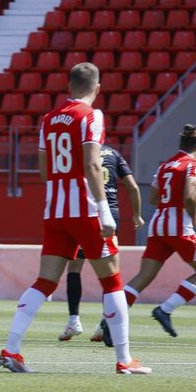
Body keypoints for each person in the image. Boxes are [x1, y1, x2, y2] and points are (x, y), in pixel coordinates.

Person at [0, 61, 149, 375]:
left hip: (55, 210)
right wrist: (105, 209)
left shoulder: (49, 119)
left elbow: (43, 171)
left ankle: (11, 348)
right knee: (112, 281)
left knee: (45, 281)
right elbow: (93, 165)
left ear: (69, 86)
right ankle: (124, 359)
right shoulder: (92, 116)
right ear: (97, 88)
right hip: (87, 210)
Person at [122, 123, 196, 337]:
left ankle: (109, 320)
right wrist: (194, 213)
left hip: (157, 226)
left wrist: (178, 197)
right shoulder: (194, 164)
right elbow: (189, 196)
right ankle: (165, 310)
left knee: (143, 275)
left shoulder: (165, 165)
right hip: (179, 227)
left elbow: (153, 197)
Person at [58, 143, 144, 347]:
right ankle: (105, 324)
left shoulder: (83, 151)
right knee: (111, 273)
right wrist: (137, 215)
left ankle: (73, 321)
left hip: (87, 213)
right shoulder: (114, 154)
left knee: (75, 267)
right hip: (112, 215)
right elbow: (133, 186)